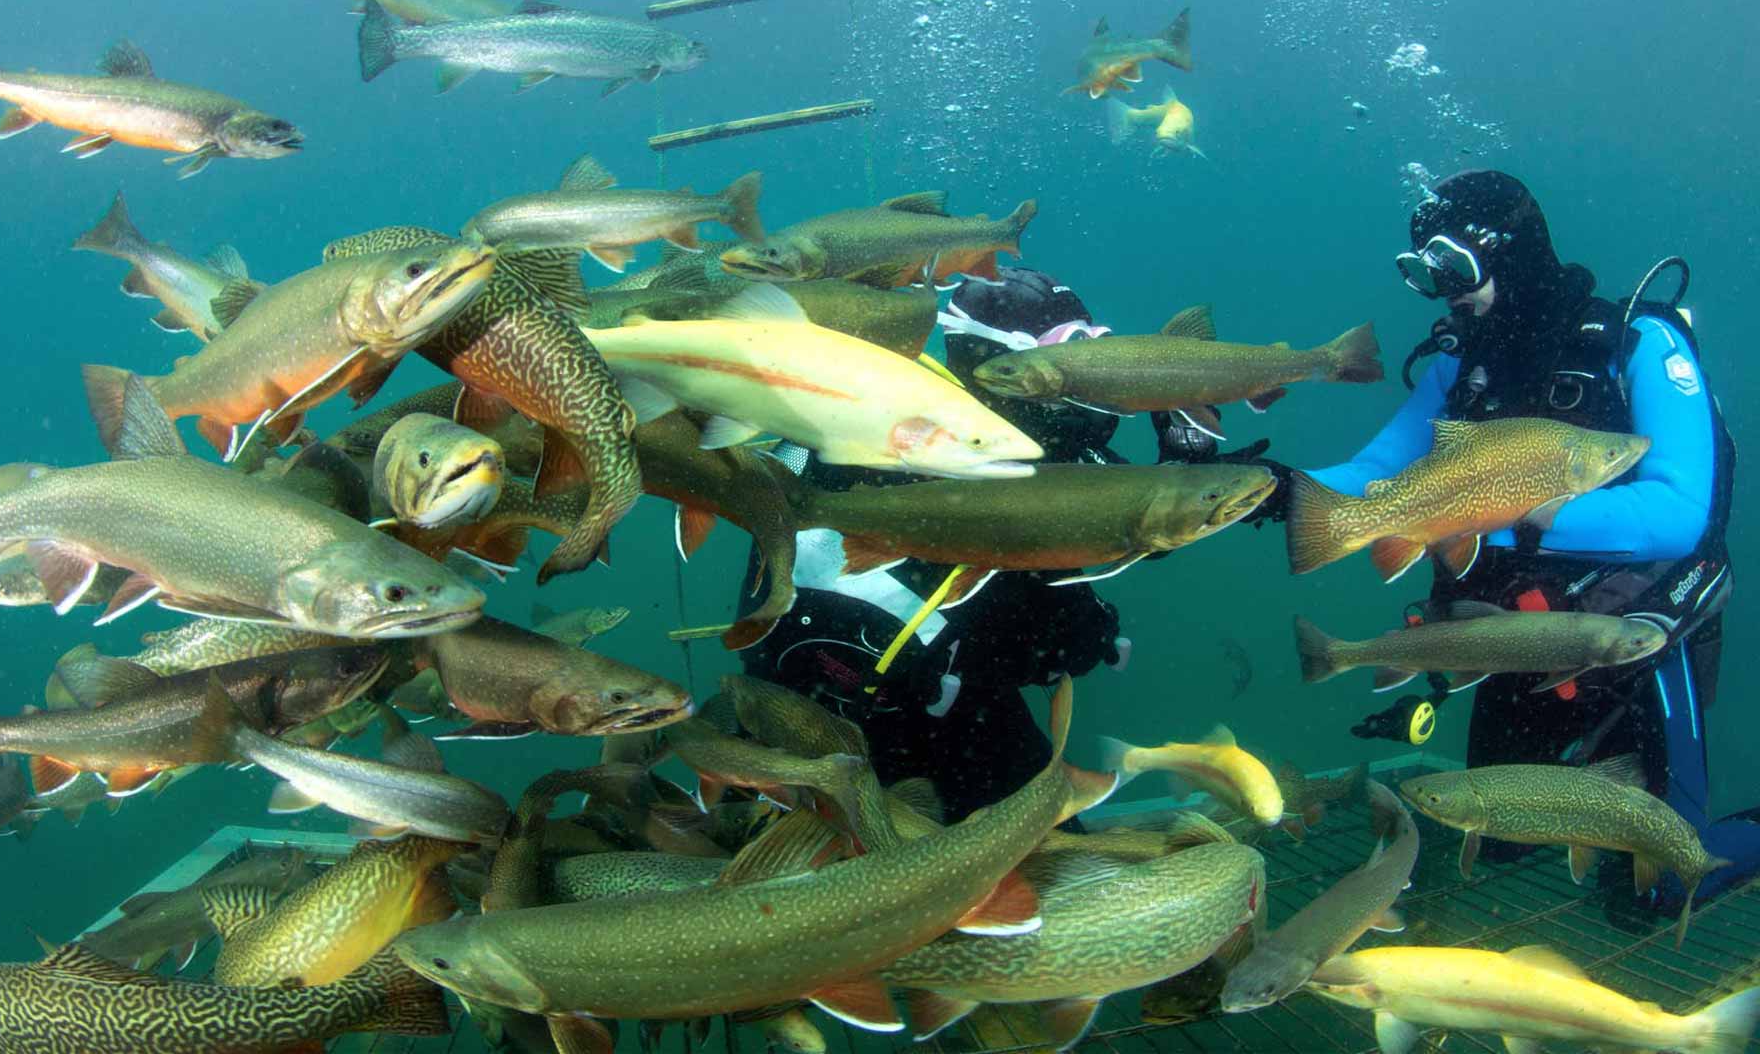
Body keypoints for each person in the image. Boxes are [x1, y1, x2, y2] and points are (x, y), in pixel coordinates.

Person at [1253, 169, 1758, 903]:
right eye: (1424, 274)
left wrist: (1501, 512)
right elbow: (1375, 472)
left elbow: (1681, 511)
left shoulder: (1638, 342)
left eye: (1454, 267)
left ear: (1514, 250)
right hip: (1504, 639)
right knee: (1496, 841)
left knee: (1654, 889)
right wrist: (1271, 489)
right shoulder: (1460, 365)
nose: (1444, 291)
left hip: (1632, 639)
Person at [734, 269, 1130, 821]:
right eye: (1070, 356)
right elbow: (1058, 645)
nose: (1090, 378)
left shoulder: (857, 418)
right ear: (995, 358)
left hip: (784, 711)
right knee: (1038, 874)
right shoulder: (972, 456)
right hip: (951, 730)